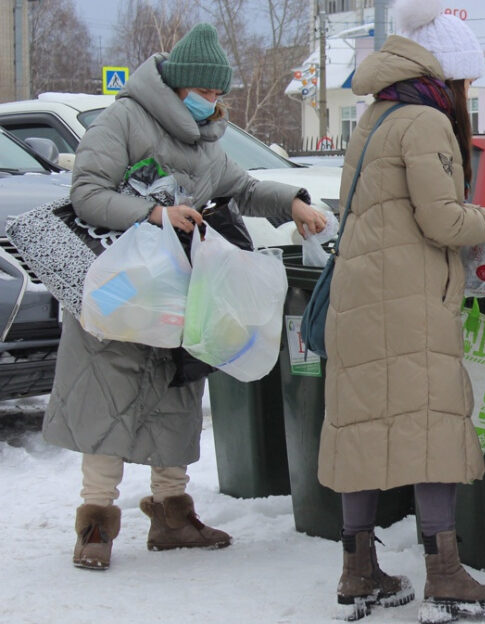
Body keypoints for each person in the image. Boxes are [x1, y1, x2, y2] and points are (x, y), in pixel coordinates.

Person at [43, 22, 328, 571]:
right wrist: (155, 213)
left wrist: (293, 202)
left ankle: (173, 515)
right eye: (206, 92)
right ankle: (95, 522)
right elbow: (87, 192)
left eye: (220, 94)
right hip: (122, 288)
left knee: (174, 394)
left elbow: (242, 189)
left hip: (178, 293)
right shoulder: (124, 119)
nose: (214, 103)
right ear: (177, 86)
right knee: (110, 393)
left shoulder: (208, 139)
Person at [315, 0, 485, 622]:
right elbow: (443, 221)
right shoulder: (427, 123)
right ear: (448, 75)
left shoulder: (377, 113)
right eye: (467, 83)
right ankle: (446, 572)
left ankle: (358, 572)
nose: (468, 95)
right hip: (405, 301)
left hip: (361, 296)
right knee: (430, 426)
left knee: (363, 426)